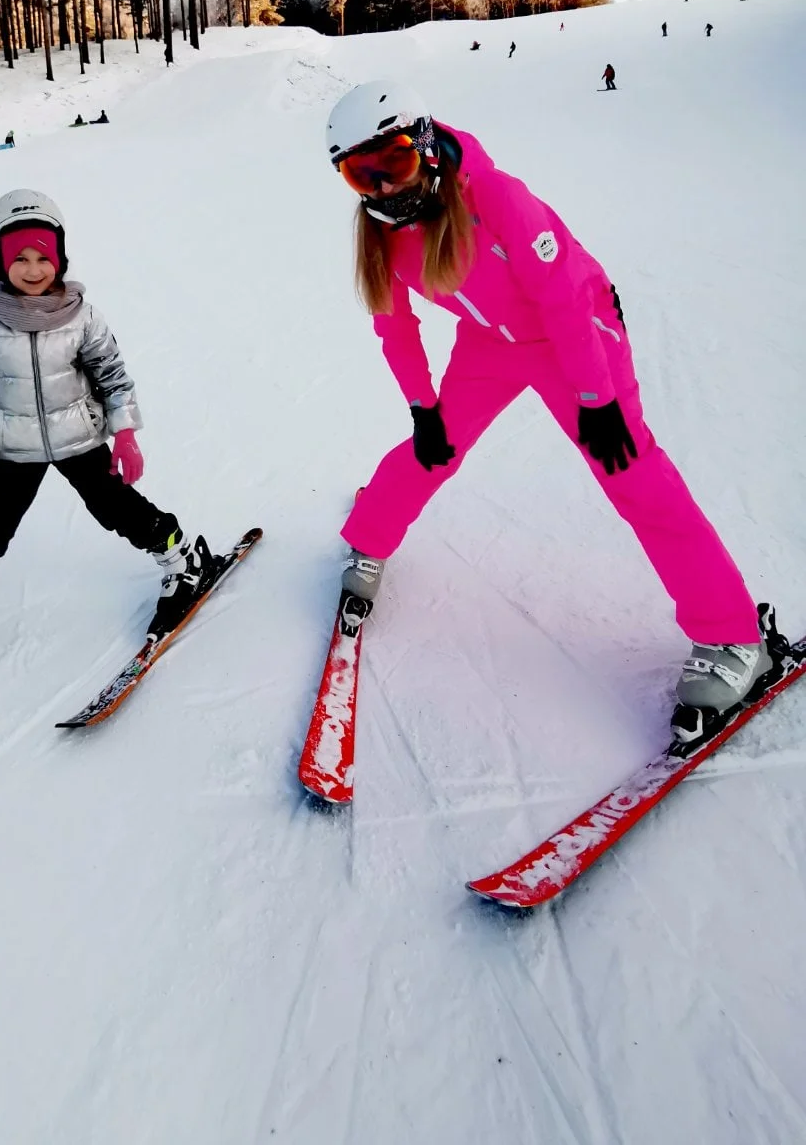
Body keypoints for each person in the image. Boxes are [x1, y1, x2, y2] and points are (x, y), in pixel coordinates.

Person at [324, 75, 773, 746]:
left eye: (395, 161)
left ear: (425, 145)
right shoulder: (384, 237)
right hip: (491, 345)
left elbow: (563, 295)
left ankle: (735, 636)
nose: (385, 186)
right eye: (362, 176)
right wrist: (423, 406)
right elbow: (396, 328)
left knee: (633, 474)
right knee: (434, 446)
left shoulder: (494, 198)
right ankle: (368, 538)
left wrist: (596, 397)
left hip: (575, 332)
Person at [0, 190, 214, 698]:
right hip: (15, 449)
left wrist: (126, 434)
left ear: (61, 257)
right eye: (20, 259)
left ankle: (181, 559)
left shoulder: (82, 316)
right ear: (1, 261)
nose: (33, 269)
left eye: (43, 257)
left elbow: (113, 376)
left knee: (115, 506)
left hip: (80, 438)